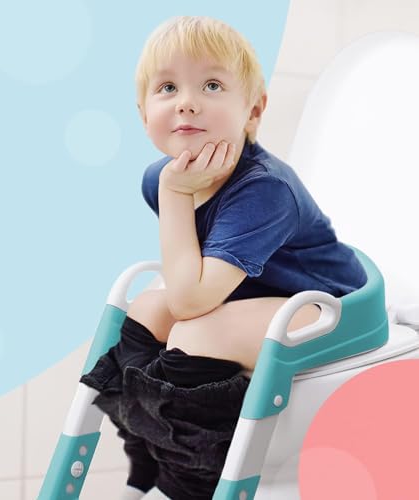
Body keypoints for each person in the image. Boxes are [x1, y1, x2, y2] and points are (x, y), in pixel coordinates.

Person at [81, 15, 368, 500]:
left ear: (253, 111)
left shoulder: (264, 191)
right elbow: (187, 275)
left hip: (333, 308)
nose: (186, 101)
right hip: (250, 292)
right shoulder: (159, 178)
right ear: (144, 113)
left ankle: (192, 483)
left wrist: (176, 195)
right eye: (167, 88)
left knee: (196, 332)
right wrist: (173, 190)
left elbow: (190, 300)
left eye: (211, 85)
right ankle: (148, 457)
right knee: (146, 310)